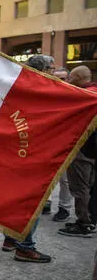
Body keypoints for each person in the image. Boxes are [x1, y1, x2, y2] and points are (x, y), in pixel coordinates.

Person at [2, 55, 52, 262]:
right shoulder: (40, 89)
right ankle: (25, 246)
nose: (52, 72)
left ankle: (11, 239)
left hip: (14, 151)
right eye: (50, 68)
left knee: (14, 198)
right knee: (31, 201)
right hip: (29, 152)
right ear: (41, 70)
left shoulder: (15, 84)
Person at [58, 65, 97, 238]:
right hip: (92, 150)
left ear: (81, 78)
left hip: (84, 149)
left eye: (71, 78)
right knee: (88, 186)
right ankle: (89, 219)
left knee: (79, 187)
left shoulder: (85, 95)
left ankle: (84, 223)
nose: (68, 81)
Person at [50, 67, 73, 222]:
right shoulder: (46, 93)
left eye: (63, 78)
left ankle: (64, 207)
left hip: (66, 144)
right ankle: (46, 202)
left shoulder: (75, 96)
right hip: (47, 143)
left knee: (65, 180)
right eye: (56, 77)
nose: (59, 80)